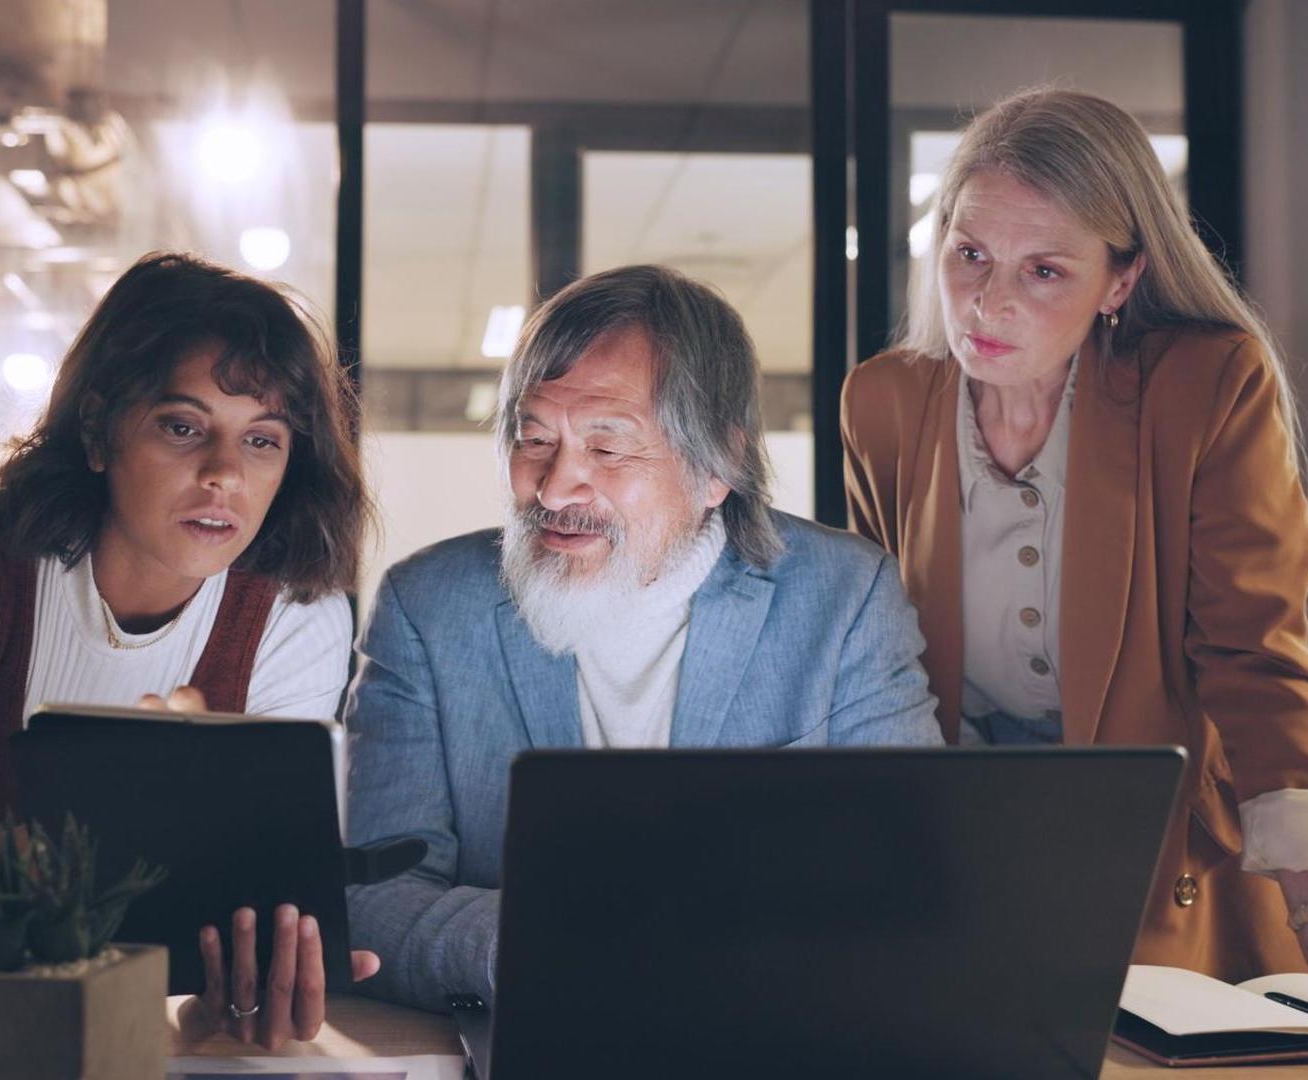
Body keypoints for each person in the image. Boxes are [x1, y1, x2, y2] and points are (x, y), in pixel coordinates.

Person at [840, 88, 1308, 991]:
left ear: (1121, 281)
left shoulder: (1205, 384)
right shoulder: (881, 400)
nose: (986, 303)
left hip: (1158, 855)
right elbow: (880, 665)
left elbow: (1254, 652)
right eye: (969, 255)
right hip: (961, 850)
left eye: (1043, 271)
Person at [0, 251, 381, 1046]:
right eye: (182, 427)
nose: (224, 474)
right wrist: (129, 816)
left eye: (263, 441)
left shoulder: (298, 612)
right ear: (98, 431)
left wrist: (246, 975)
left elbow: (245, 892)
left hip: (105, 951)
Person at [345, 264, 942, 1011]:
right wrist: (547, 945)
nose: (557, 488)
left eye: (607, 448)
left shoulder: (845, 600)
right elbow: (372, 891)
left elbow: (907, 877)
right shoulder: (428, 607)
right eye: (534, 439)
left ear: (718, 463)